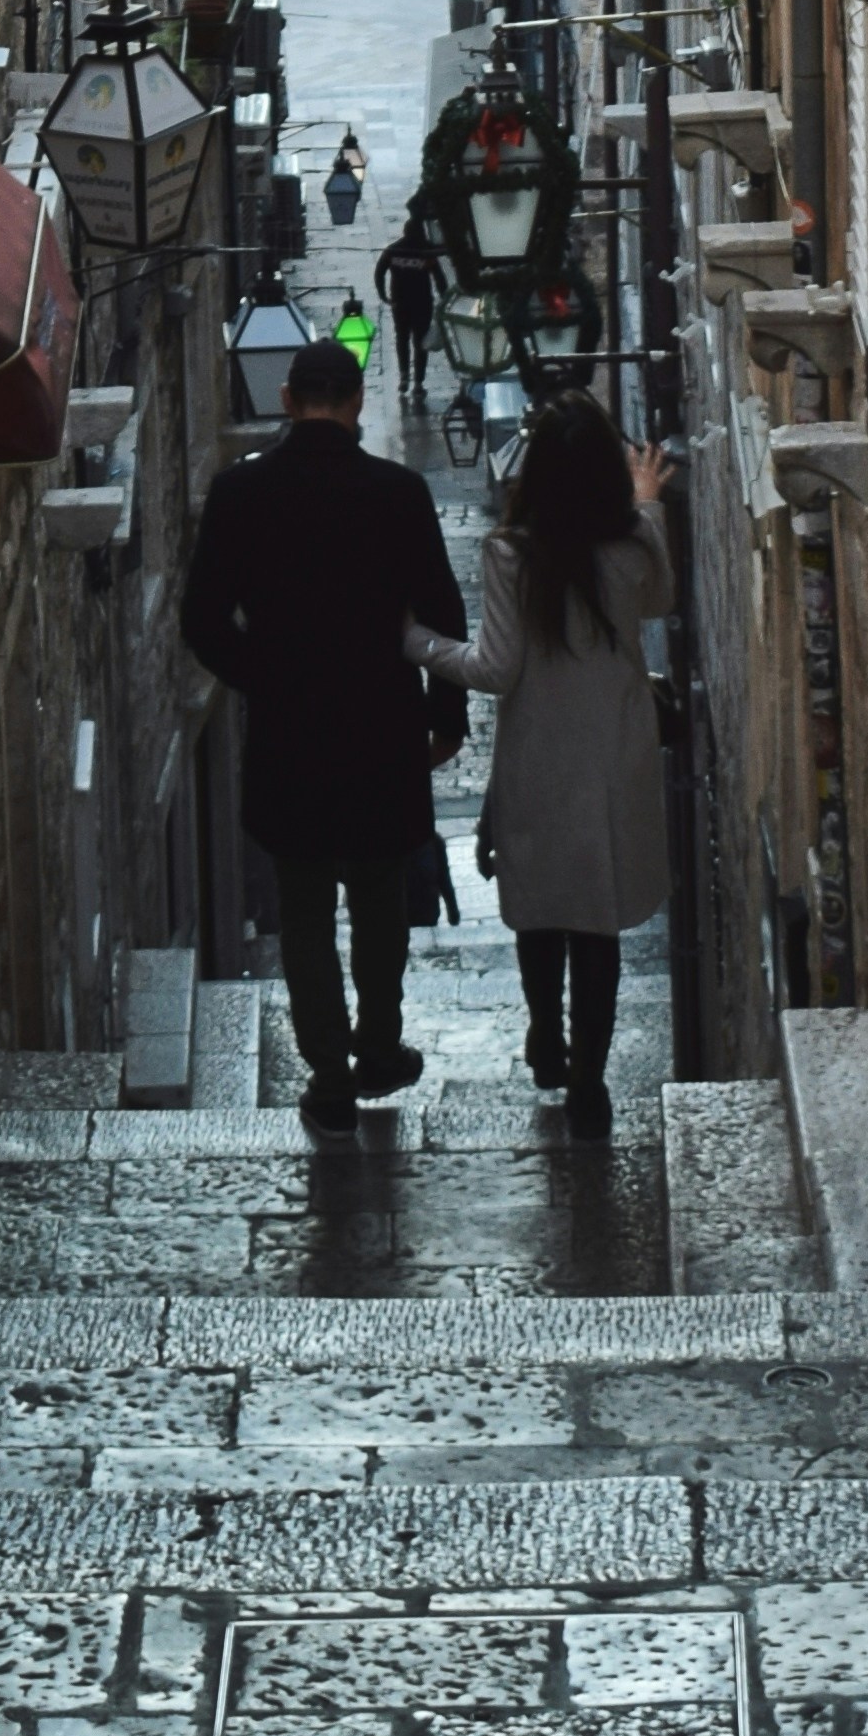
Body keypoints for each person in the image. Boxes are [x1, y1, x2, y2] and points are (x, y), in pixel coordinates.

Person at [181, 334, 467, 1129]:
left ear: (285, 400)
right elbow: (444, 612)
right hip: (382, 726)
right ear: (356, 403)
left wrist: (264, 675)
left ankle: (329, 1074)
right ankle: (379, 1043)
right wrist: (446, 718)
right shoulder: (398, 493)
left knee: (303, 903)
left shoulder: (241, 495)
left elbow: (201, 620)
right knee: (377, 896)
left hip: (289, 734)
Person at [414, 393, 672, 1143]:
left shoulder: (511, 555)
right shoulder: (632, 548)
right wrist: (649, 507)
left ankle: (544, 1033)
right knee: (597, 925)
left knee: (540, 907)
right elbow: (659, 598)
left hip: (540, 756)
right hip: (615, 753)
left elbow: (494, 671)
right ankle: (588, 1079)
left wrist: (417, 643)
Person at [371, 206, 444, 403]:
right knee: (421, 343)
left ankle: (404, 376)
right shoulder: (426, 251)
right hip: (422, 303)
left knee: (402, 338)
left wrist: (383, 294)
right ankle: (419, 383)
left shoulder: (394, 250)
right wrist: (445, 299)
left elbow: (379, 272)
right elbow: (439, 278)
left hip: (400, 302)